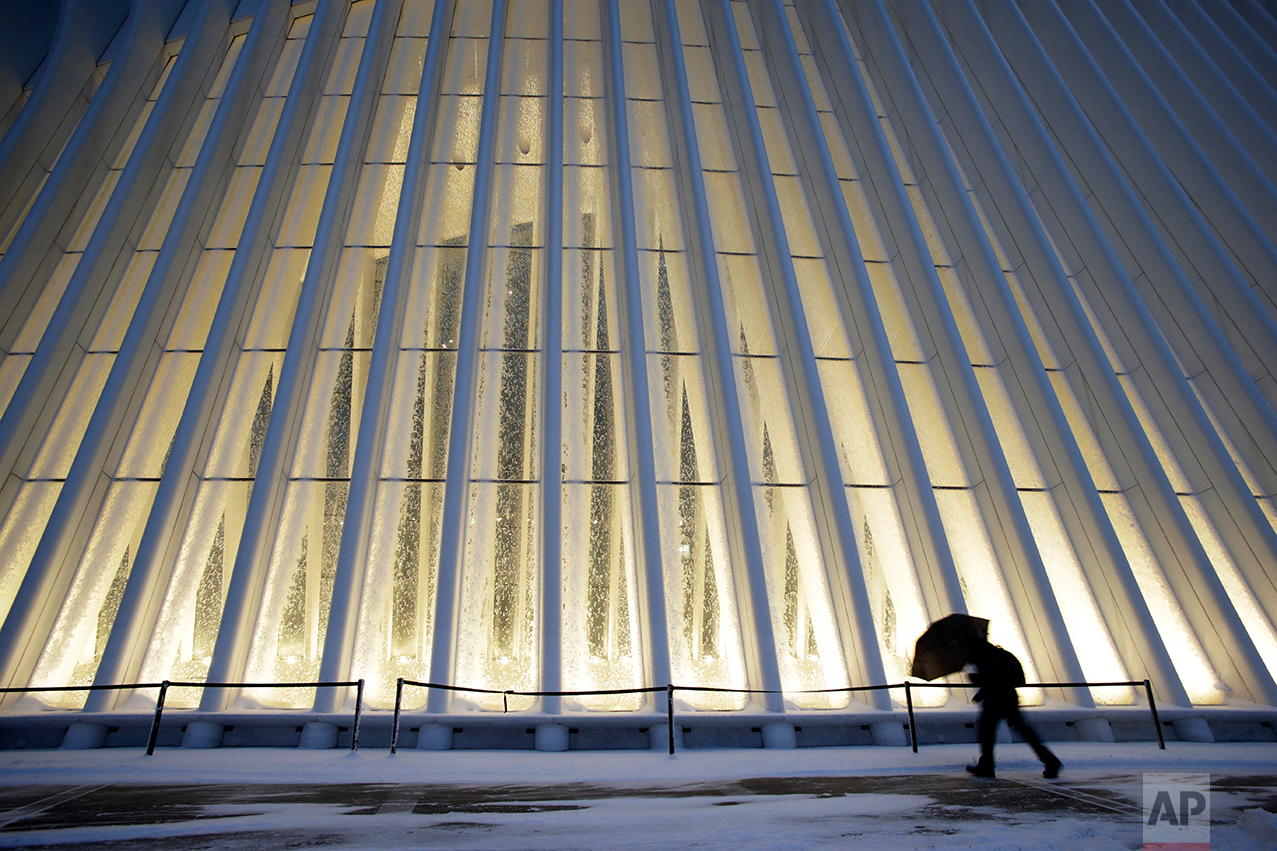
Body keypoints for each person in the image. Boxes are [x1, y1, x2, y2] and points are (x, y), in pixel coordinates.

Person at [965, 641, 1062, 779]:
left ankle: (987, 766)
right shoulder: (1000, 654)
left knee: (987, 732)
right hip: (1009, 697)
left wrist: (975, 680)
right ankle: (1050, 760)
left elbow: (992, 680)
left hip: (995, 699)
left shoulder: (985, 658)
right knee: (1023, 730)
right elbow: (1001, 678)